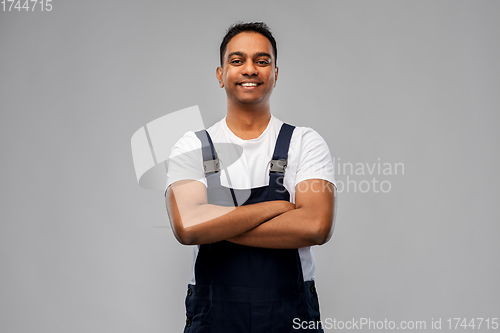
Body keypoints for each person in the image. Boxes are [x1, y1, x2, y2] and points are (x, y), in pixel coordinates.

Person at [165, 22, 336, 333]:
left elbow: (315, 226)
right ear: (220, 75)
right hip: (214, 317)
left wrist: (213, 224)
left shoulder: (305, 142)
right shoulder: (191, 146)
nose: (250, 69)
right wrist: (277, 208)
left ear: (275, 74)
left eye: (261, 61)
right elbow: (189, 227)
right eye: (237, 60)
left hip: (290, 316)